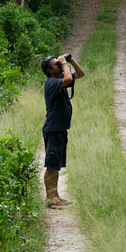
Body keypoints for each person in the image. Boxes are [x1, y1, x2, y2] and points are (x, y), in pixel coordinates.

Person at [41, 52, 85, 209]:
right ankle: (50, 199)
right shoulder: (52, 83)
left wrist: (70, 60)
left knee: (57, 164)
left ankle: (56, 196)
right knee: (51, 164)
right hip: (53, 129)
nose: (60, 65)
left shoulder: (58, 80)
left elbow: (80, 74)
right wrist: (65, 64)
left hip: (59, 129)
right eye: (56, 64)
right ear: (49, 71)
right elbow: (67, 78)